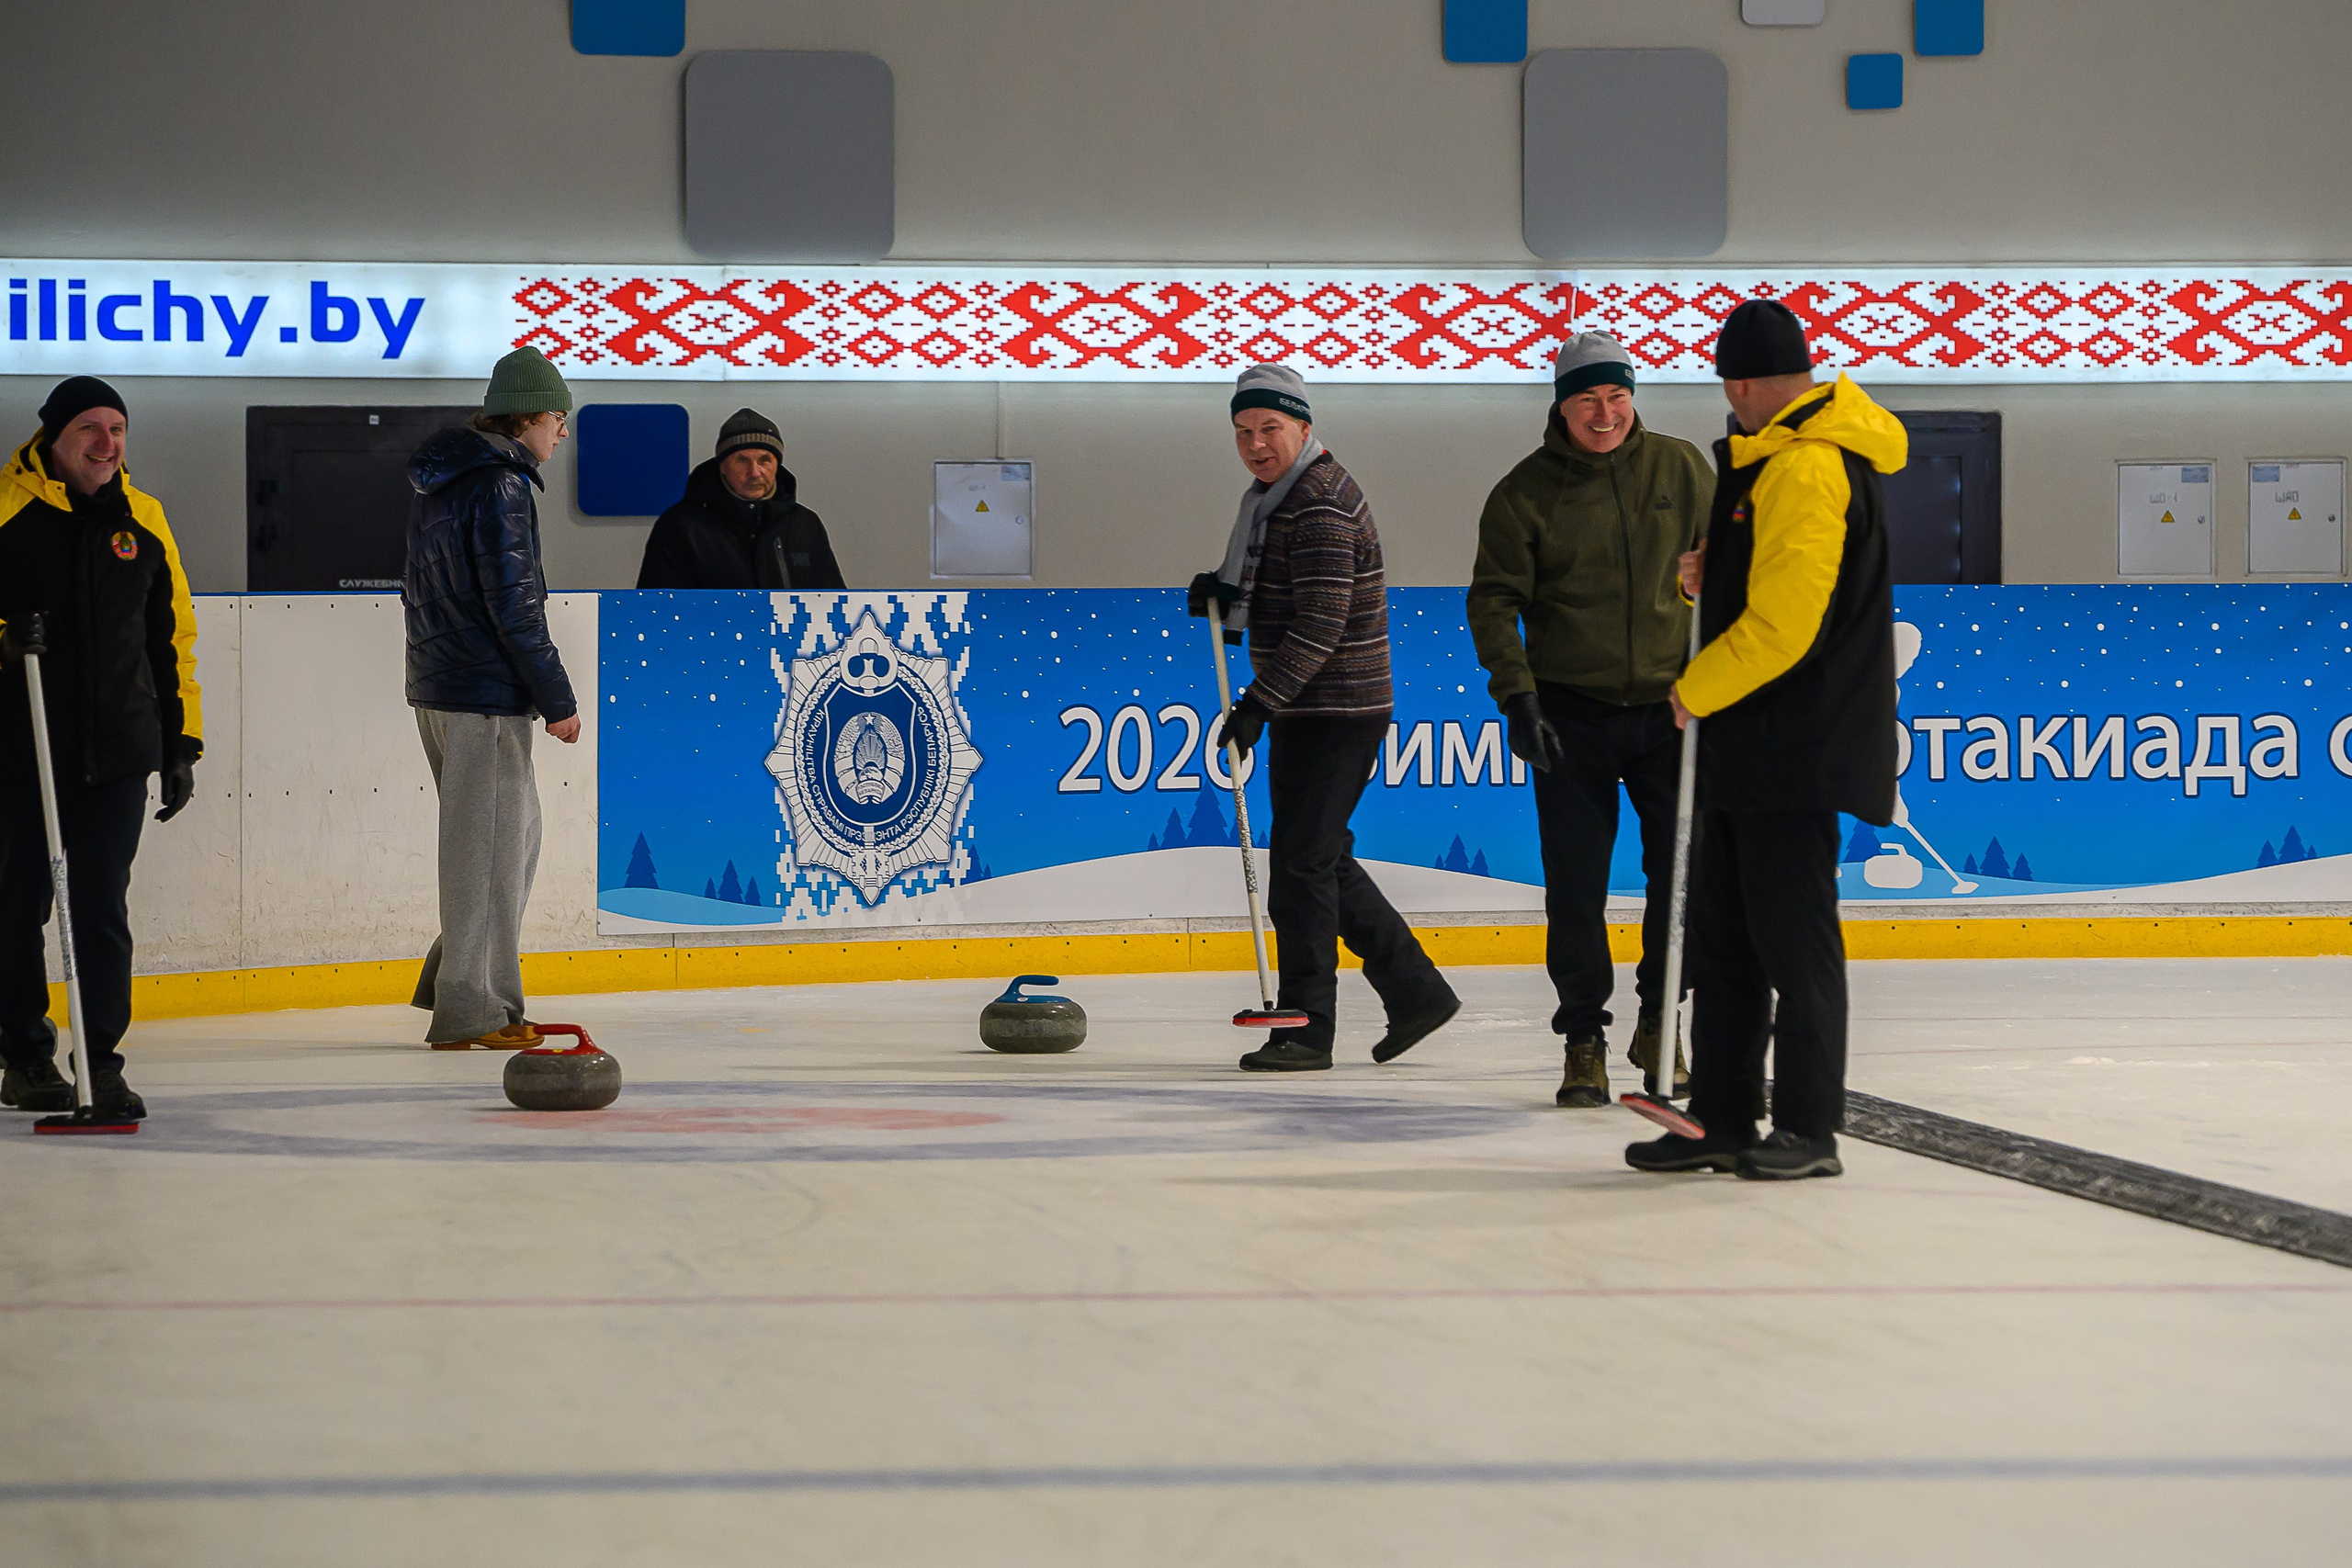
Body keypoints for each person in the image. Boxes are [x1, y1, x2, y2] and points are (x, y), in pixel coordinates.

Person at [1627, 300, 1905, 1181]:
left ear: (1741, 384)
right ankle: (1721, 1116)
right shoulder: (1767, 461)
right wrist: (1707, 579)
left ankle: (1810, 1128)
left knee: (1794, 943)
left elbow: (1788, 626)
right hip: (1749, 749)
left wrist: (1692, 690)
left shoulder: (1809, 468)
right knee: (1725, 940)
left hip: (1797, 746)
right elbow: (1759, 592)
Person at [1187, 364, 1458, 1072]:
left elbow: (1323, 624)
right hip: (1316, 705)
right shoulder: (1278, 498)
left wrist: (1256, 705)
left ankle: (1307, 1029)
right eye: (1244, 432)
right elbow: (1290, 596)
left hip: (1338, 707)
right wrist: (1223, 590)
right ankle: (1416, 990)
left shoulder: (1317, 503)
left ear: (1304, 428)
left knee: (1301, 869)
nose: (1256, 444)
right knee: (1321, 856)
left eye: (1270, 428)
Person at [1467, 333, 1713, 1110]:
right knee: (1576, 888)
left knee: (1682, 877)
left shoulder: (1681, 469)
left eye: (1616, 397)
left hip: (1672, 711)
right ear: (1561, 405)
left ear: (1632, 395)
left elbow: (1731, 567)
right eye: (1586, 400)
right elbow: (1494, 600)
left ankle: (1657, 1020)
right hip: (1570, 713)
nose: (1604, 414)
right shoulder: (1525, 492)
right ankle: (1584, 1040)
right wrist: (1519, 697)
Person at [0, 377, 202, 1121]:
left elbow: (170, 637)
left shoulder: (142, 520)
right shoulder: (7, 510)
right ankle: (24, 1056)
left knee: (99, 908)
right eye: (90, 427)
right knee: (16, 905)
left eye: (117, 429)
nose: (106, 443)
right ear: (54, 434)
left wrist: (181, 742)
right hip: (20, 749)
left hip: (117, 750)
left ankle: (102, 1064)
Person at [403, 347, 582, 1050]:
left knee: (510, 839)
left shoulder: (445, 482)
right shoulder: (501, 486)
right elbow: (516, 605)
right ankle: (475, 1008)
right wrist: (557, 696)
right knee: (493, 855)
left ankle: (453, 977)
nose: (562, 434)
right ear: (532, 417)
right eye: (559, 419)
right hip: (482, 696)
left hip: (442, 689)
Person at [636, 409, 845, 590]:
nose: (754, 472)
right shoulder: (680, 526)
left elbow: (834, 603)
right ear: (722, 467)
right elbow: (657, 608)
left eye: (765, 460)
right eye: (742, 461)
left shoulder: (805, 524)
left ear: (777, 466)